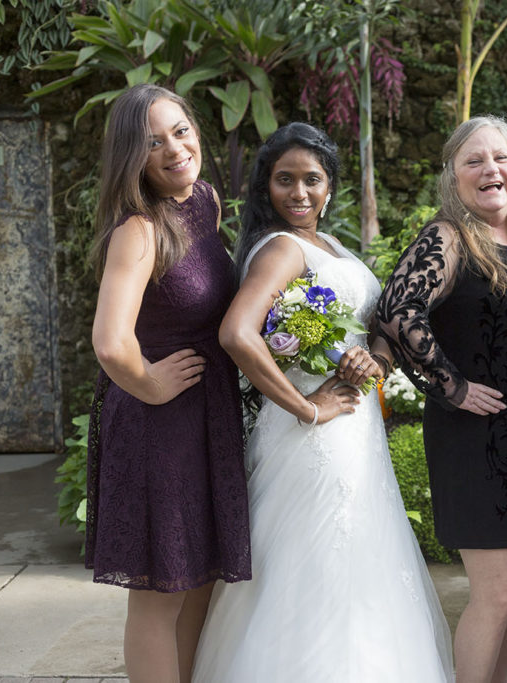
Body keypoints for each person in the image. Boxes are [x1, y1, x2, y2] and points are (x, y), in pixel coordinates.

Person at [191, 122, 453, 682]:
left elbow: (373, 327)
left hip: (353, 431)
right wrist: (306, 407)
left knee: (357, 563)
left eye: (312, 179)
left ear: (330, 186)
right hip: (313, 436)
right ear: (267, 187)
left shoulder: (328, 246)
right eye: (285, 180)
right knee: (316, 567)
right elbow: (238, 333)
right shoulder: (282, 248)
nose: (300, 192)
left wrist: (373, 358)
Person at [376, 115, 507, 683]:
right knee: (495, 596)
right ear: (454, 176)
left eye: (501, 158)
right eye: (474, 161)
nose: (490, 169)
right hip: (476, 440)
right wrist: (451, 385)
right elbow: (397, 311)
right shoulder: (448, 236)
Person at [85, 84, 251, 682]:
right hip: (158, 425)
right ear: (132, 158)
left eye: (180, 131)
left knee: (199, 580)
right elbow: (110, 340)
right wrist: (150, 384)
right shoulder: (139, 229)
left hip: (205, 417)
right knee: (161, 593)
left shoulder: (203, 200)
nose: (175, 149)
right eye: (153, 142)